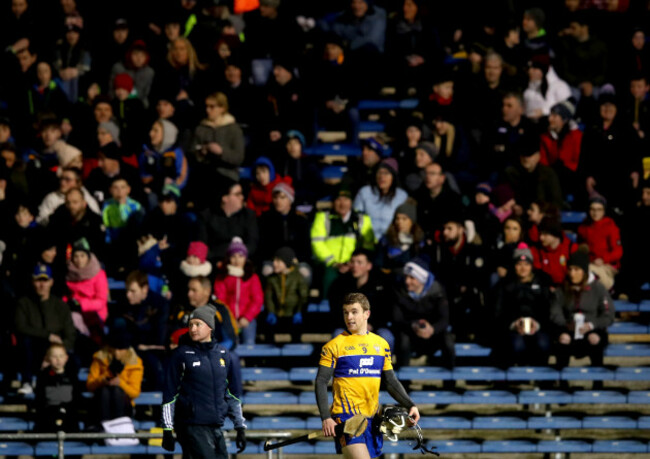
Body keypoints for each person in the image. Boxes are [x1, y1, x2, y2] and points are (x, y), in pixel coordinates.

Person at [315, 293, 420, 459]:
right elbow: (321, 381)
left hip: (372, 419)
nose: (349, 317)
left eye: (354, 312)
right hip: (346, 419)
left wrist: (410, 404)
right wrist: (326, 418)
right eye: (345, 312)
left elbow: (390, 380)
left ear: (367, 314)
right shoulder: (333, 346)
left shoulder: (381, 345)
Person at [161, 306, 247, 458]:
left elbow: (231, 394)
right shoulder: (181, 355)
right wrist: (167, 429)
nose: (193, 328)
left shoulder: (223, 355)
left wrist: (240, 427)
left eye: (198, 324)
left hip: (216, 425)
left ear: (210, 327)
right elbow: (170, 394)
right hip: (191, 425)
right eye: (190, 325)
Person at [14, 263, 76, 395]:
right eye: (38, 280)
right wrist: (47, 335)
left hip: (56, 352)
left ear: (51, 282)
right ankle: (27, 381)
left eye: (45, 280)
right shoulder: (24, 303)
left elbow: (70, 334)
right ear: (33, 281)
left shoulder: (60, 306)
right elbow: (20, 327)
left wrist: (56, 354)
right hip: (33, 351)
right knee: (25, 342)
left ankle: (68, 388)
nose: (42, 285)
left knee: (74, 360)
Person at [551, 250, 615, 370]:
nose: (572, 274)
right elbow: (555, 312)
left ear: (584, 271)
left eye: (576, 270)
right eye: (570, 269)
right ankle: (562, 381)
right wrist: (566, 325)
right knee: (563, 338)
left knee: (594, 338)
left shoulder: (598, 288)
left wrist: (592, 325)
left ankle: (597, 381)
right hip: (569, 329)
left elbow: (608, 314)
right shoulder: (562, 289)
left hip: (592, 329)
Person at [493, 243, 553, 367]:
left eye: (526, 264)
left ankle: (542, 381)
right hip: (512, 329)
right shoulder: (504, 285)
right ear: (514, 266)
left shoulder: (542, 283)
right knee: (516, 344)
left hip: (538, 328)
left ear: (531, 266)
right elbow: (497, 312)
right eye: (519, 264)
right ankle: (516, 379)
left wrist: (536, 324)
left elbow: (548, 311)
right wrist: (513, 324)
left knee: (543, 343)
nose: (523, 268)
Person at [393, 258, 455, 369]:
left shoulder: (438, 292)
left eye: (412, 278)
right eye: (406, 277)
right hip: (410, 334)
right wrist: (413, 325)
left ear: (421, 279)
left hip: (433, 335)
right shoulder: (399, 292)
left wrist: (432, 329)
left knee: (448, 339)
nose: (407, 281)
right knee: (402, 340)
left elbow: (444, 319)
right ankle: (404, 382)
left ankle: (450, 381)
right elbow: (397, 319)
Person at [213, 238, 263, 346]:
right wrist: (229, 318)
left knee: (249, 343)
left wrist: (247, 317)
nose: (237, 260)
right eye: (233, 256)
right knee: (229, 344)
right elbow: (220, 299)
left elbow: (257, 299)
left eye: (240, 256)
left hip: (246, 319)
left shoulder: (252, 277)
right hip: (228, 319)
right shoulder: (222, 277)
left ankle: (250, 361)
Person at [86, 331, 143, 425]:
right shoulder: (100, 359)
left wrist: (120, 383)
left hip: (123, 404)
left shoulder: (135, 363)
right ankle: (104, 425)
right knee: (105, 391)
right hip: (100, 401)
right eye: (114, 348)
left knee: (116, 391)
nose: (116, 352)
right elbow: (90, 385)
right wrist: (102, 380)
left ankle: (118, 427)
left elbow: (134, 393)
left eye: (120, 349)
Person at [353, 158, 408, 242]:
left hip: (392, 241)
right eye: (379, 172)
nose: (382, 177)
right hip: (367, 240)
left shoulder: (401, 196)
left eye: (386, 173)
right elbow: (355, 216)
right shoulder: (365, 192)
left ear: (393, 176)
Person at [577, 196, 622, 290]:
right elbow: (579, 247)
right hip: (590, 262)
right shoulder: (583, 227)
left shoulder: (610, 227)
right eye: (592, 209)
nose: (595, 213)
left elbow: (618, 251)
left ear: (604, 211)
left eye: (599, 209)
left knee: (588, 272)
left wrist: (603, 259)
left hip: (606, 265)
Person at [34, 344, 82, 432]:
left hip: (69, 414)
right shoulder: (42, 376)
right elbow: (39, 399)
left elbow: (77, 397)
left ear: (66, 358)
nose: (58, 360)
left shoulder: (72, 375)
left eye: (61, 356)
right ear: (48, 358)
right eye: (54, 357)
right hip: (48, 414)